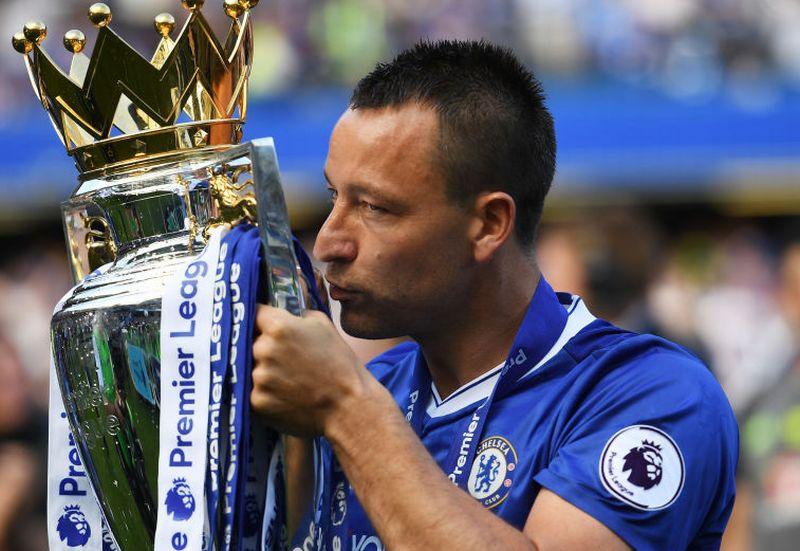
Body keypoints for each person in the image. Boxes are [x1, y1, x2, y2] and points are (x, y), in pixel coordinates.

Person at [250, 40, 738, 550]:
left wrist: (346, 408)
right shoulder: (377, 385)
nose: (328, 243)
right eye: (335, 196)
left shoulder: (654, 394)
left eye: (374, 207)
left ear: (489, 223)